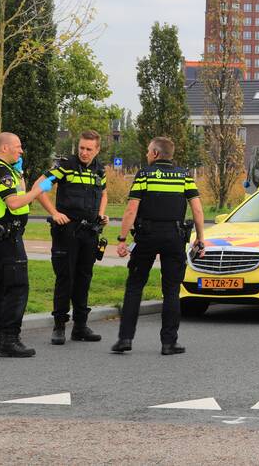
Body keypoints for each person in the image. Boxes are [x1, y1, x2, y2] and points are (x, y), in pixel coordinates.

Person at [111, 137, 205, 355]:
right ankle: (169, 343)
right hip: (174, 236)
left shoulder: (144, 175)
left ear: (155, 153)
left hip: (146, 235)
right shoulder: (184, 176)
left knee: (135, 286)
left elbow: (131, 210)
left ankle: (125, 339)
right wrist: (200, 238)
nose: (146, 155)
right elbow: (198, 211)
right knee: (172, 290)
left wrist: (123, 239)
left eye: (147, 151)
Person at [0, 132, 54, 357]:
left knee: (0, 285)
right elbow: (14, 202)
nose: (21, 150)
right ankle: (10, 339)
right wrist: (38, 190)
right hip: (7, 237)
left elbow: (15, 193)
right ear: (4, 148)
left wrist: (20, 172)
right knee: (17, 286)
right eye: (18, 147)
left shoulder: (4, 170)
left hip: (2, 236)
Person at [38, 130, 109, 345]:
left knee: (84, 278)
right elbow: (40, 188)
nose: (84, 152)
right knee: (65, 278)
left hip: (89, 232)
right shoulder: (65, 166)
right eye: (81, 148)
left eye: (89, 149)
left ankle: (80, 326)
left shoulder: (100, 170)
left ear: (97, 150)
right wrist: (54, 213)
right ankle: (59, 326)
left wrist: (101, 214)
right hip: (66, 231)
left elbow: (104, 193)